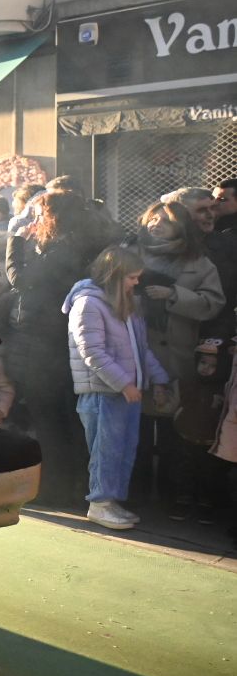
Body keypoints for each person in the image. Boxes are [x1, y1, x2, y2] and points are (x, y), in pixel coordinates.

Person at [64, 246, 172, 530]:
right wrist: (124, 383)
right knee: (105, 451)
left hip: (124, 393)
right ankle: (99, 504)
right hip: (103, 394)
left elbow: (141, 350)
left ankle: (109, 502)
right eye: (131, 277)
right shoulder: (88, 304)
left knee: (122, 449)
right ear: (114, 275)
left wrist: (158, 379)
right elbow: (92, 352)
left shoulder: (126, 305)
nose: (136, 283)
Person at [135, 200, 226, 520]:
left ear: (181, 226)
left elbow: (213, 303)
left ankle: (171, 497)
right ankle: (137, 494)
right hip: (138, 355)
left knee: (174, 433)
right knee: (138, 431)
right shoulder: (132, 253)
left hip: (178, 357)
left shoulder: (200, 262)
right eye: (153, 218)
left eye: (165, 220)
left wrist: (174, 295)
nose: (156, 224)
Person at [5, 191, 94, 507]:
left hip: (47, 347)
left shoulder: (62, 251)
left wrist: (15, 240)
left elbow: (20, 278)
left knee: (51, 422)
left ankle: (57, 490)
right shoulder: (75, 246)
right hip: (54, 345)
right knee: (60, 421)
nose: (36, 221)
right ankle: (67, 487)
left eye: (40, 215)